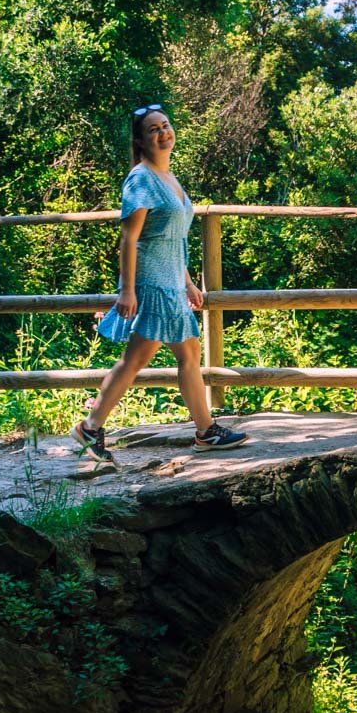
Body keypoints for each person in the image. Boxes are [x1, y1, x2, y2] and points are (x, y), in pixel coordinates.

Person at [72, 104, 248, 462]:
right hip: (151, 281)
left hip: (170, 281)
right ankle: (94, 426)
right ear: (140, 141)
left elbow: (171, 237)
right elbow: (130, 238)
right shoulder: (141, 178)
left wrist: (187, 282)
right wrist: (127, 290)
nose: (163, 133)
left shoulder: (168, 176)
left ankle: (202, 431)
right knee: (152, 357)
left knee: (172, 355)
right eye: (153, 129)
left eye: (165, 125)